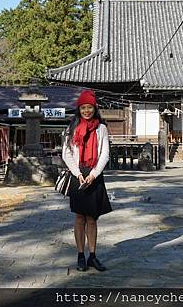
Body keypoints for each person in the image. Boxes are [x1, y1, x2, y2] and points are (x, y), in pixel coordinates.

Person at [62, 89, 112, 272]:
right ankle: (80, 255)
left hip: (94, 174)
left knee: (92, 217)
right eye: (83, 107)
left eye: (89, 107)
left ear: (94, 108)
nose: (86, 111)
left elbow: (105, 154)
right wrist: (77, 173)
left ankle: (93, 255)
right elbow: (66, 153)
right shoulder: (72, 128)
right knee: (79, 217)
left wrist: (94, 174)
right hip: (78, 174)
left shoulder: (102, 128)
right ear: (79, 109)